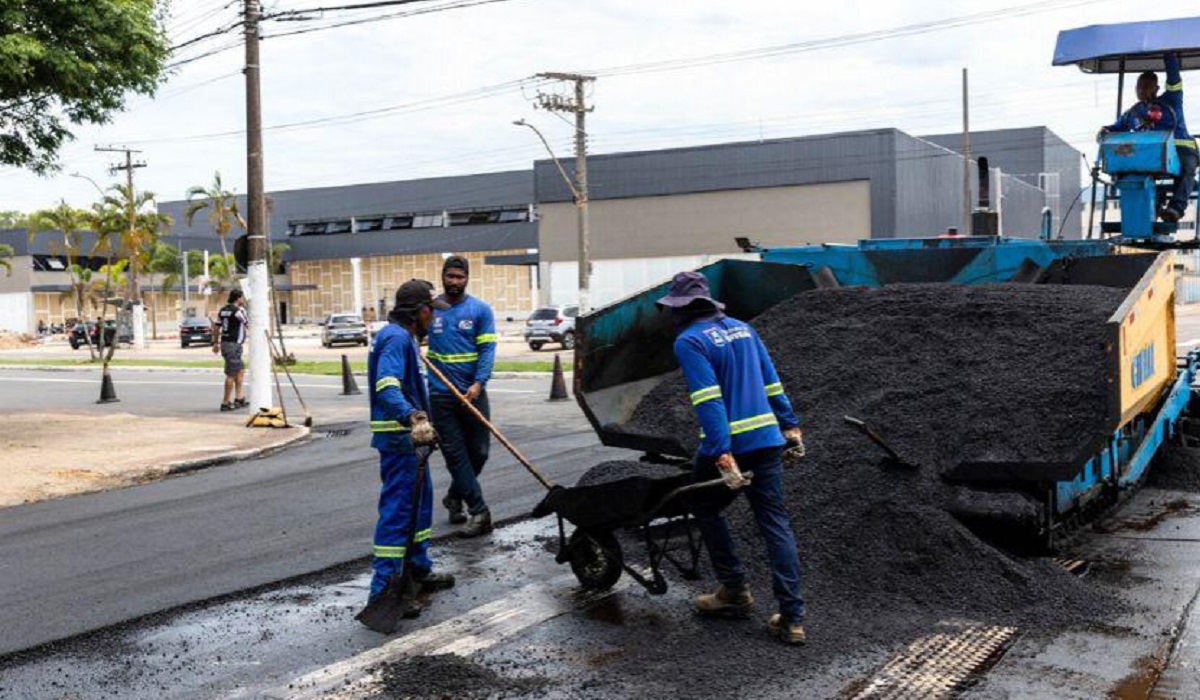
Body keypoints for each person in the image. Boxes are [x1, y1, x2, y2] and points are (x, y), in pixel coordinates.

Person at [657, 270, 809, 646]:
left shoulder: (690, 341)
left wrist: (721, 452)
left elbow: (708, 399)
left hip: (730, 446)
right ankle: (792, 619)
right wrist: (790, 426)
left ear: (683, 308)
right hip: (767, 440)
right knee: (774, 523)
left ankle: (734, 590)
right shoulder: (744, 329)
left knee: (703, 506)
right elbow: (772, 382)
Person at [363, 279, 455, 618]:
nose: (434, 317)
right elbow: (386, 386)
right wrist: (411, 415)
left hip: (412, 442)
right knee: (399, 514)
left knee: (419, 506)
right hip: (399, 439)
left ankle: (417, 569)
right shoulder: (396, 339)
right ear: (419, 312)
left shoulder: (404, 338)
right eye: (431, 311)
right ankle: (384, 592)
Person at [427, 255, 498, 538]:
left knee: (479, 453)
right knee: (456, 456)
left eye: (460, 277)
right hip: (440, 395)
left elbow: (487, 350)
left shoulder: (480, 310)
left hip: (472, 393)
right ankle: (479, 512)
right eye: (450, 276)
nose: (454, 282)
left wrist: (479, 382)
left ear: (467, 278)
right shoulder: (431, 310)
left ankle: (454, 496)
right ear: (442, 276)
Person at [1099, 52, 1197, 223]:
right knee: (1131, 168)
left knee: (1186, 169)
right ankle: (1151, 205)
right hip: (1152, 155)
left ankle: (1175, 209)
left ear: (1156, 89)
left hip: (1180, 149)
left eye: (1146, 86)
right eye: (1139, 87)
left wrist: (1169, 56)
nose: (1142, 90)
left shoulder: (1171, 100)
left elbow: (1174, 79)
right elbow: (1116, 127)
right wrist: (1105, 131)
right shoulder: (1134, 113)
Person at [212, 289, 249, 411]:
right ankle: (225, 402)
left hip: (226, 343)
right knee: (231, 374)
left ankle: (239, 398)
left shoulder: (223, 310)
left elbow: (216, 327)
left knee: (240, 370)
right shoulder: (238, 311)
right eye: (242, 297)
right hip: (233, 345)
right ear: (238, 298)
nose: (243, 300)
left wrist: (215, 343)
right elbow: (248, 323)